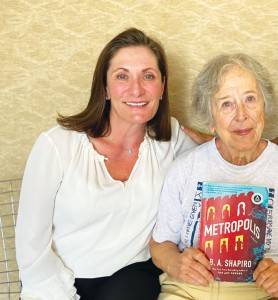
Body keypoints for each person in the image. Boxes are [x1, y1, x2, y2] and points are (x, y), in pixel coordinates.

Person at [15, 28, 196, 300]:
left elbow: (219, 156)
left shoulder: (170, 140)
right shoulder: (57, 145)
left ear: (162, 86)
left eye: (148, 76)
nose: (137, 89)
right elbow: (30, 244)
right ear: (105, 88)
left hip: (132, 277)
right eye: (122, 76)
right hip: (56, 280)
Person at [150, 53, 278, 300]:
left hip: (262, 294)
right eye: (226, 104)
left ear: (264, 105)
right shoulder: (185, 167)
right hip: (192, 291)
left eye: (250, 99)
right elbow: (160, 245)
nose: (241, 115)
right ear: (210, 119)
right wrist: (177, 264)